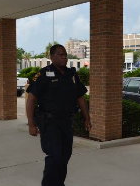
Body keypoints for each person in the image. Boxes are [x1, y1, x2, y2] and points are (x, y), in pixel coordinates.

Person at [26, 44, 92, 186]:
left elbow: (80, 97)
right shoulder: (44, 74)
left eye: (65, 55)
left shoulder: (72, 75)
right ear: (52, 57)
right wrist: (31, 124)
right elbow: (31, 98)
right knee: (54, 157)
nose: (64, 57)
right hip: (50, 123)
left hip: (67, 122)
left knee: (65, 156)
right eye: (60, 55)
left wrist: (87, 117)